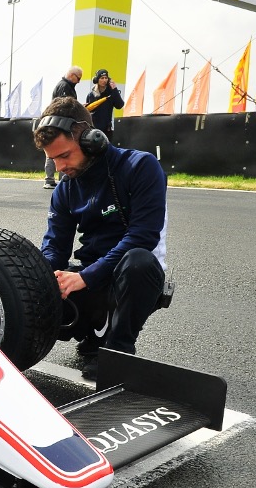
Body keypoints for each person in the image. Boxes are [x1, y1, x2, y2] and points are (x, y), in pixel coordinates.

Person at [33, 96, 167, 380]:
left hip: (134, 275)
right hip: (90, 275)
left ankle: (118, 351)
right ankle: (94, 333)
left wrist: (86, 277)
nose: (58, 167)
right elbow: (55, 245)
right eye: (52, 159)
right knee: (37, 287)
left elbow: (143, 236)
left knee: (138, 262)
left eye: (64, 156)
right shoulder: (65, 189)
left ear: (90, 141)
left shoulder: (140, 167)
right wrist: (40, 283)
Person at [44, 65, 82, 189]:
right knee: (57, 151)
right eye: (78, 78)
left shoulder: (65, 86)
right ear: (72, 75)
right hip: (59, 124)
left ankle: (56, 179)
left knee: (59, 151)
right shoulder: (64, 86)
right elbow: (64, 107)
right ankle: (51, 179)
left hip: (58, 122)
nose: (79, 81)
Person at [85, 68, 124, 141]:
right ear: (97, 80)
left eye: (106, 78)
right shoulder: (91, 95)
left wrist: (115, 89)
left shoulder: (111, 93)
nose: (104, 80)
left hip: (107, 130)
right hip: (94, 129)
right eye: (102, 78)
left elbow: (120, 105)